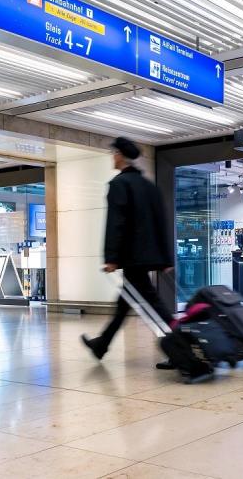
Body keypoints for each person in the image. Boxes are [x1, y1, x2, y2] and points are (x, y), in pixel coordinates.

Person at [81, 138, 175, 363]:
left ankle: (182, 345)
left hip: (133, 258)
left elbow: (116, 223)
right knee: (126, 301)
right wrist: (165, 257)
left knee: (152, 302)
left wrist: (112, 257)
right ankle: (101, 344)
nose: (112, 157)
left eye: (113, 153)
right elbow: (162, 222)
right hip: (148, 257)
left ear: (121, 155)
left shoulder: (119, 184)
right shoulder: (149, 186)